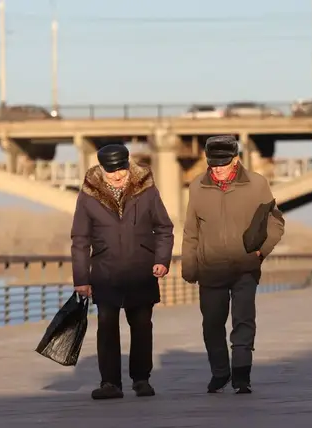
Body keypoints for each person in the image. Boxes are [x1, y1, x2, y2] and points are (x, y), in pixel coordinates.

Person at [181, 135, 285, 394]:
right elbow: (190, 231)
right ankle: (220, 371)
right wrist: (189, 267)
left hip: (245, 267)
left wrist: (261, 252)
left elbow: (275, 222)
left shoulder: (257, 185)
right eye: (212, 163)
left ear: (236, 160)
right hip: (210, 268)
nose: (217, 168)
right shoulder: (197, 187)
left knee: (243, 320)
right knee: (212, 324)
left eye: (222, 163)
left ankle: (241, 375)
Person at [70, 144, 174, 400]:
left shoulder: (147, 190)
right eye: (111, 171)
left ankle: (141, 379)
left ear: (128, 166)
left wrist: (162, 259)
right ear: (102, 170)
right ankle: (110, 384)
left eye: (121, 170)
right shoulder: (88, 195)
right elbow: (80, 239)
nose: (117, 176)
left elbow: (164, 228)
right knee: (106, 326)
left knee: (141, 326)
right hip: (105, 272)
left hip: (141, 270)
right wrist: (81, 279)